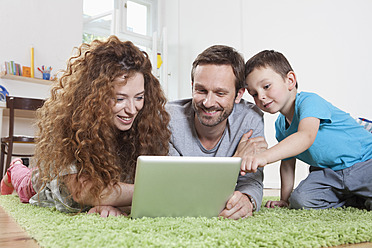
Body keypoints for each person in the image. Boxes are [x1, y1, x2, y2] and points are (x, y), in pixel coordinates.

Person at [0, 36, 171, 217]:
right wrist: (153, 192)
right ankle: (15, 167)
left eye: (139, 97)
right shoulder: (73, 126)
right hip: (47, 183)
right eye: (120, 99)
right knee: (26, 183)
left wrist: (114, 205)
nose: (132, 109)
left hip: (79, 186)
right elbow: (84, 191)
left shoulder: (142, 128)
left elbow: (114, 192)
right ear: (94, 97)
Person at [243, 50, 372, 210]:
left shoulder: (309, 102)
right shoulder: (280, 125)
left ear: (290, 80)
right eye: (254, 94)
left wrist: (264, 156)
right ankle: (356, 197)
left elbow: (305, 136)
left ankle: (359, 195)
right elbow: (287, 163)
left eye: (266, 86)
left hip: (364, 162)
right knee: (300, 200)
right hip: (330, 172)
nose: (261, 96)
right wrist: (285, 198)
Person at [166, 45, 267, 219]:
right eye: (201, 90)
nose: (208, 102)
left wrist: (247, 199)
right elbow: (177, 188)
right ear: (192, 87)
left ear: (238, 94)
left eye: (220, 93)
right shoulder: (168, 118)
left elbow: (252, 181)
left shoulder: (250, 119)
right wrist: (236, 161)